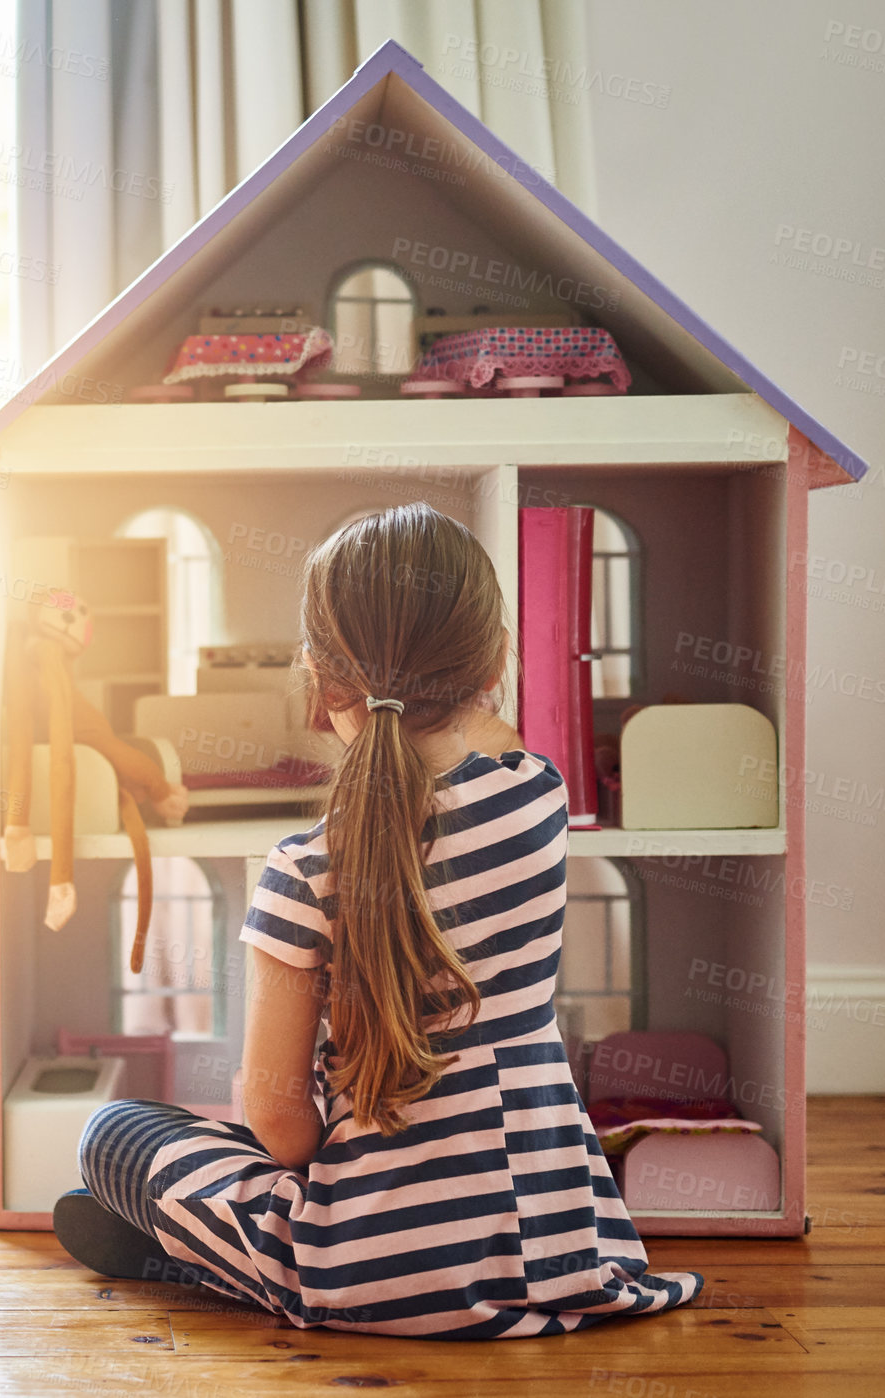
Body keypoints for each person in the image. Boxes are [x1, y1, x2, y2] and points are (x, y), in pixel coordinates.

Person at [53, 502, 703, 1339]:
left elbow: (281, 1128)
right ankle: (197, 1251)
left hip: (357, 1272)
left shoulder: (303, 868)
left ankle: (201, 1255)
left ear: (321, 685)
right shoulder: (539, 795)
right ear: (495, 662)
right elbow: (484, 735)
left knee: (117, 1130)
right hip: (557, 1248)